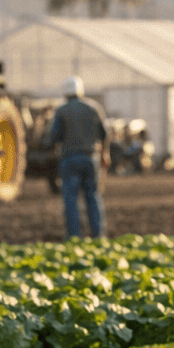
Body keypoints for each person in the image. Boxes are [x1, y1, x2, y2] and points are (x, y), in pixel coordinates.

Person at [43, 75, 107, 239]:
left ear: (65, 92)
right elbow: (104, 134)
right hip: (91, 158)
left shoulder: (61, 110)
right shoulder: (93, 108)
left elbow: (54, 137)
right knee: (93, 197)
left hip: (69, 159)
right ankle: (98, 235)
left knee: (71, 200)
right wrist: (104, 153)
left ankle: (74, 237)